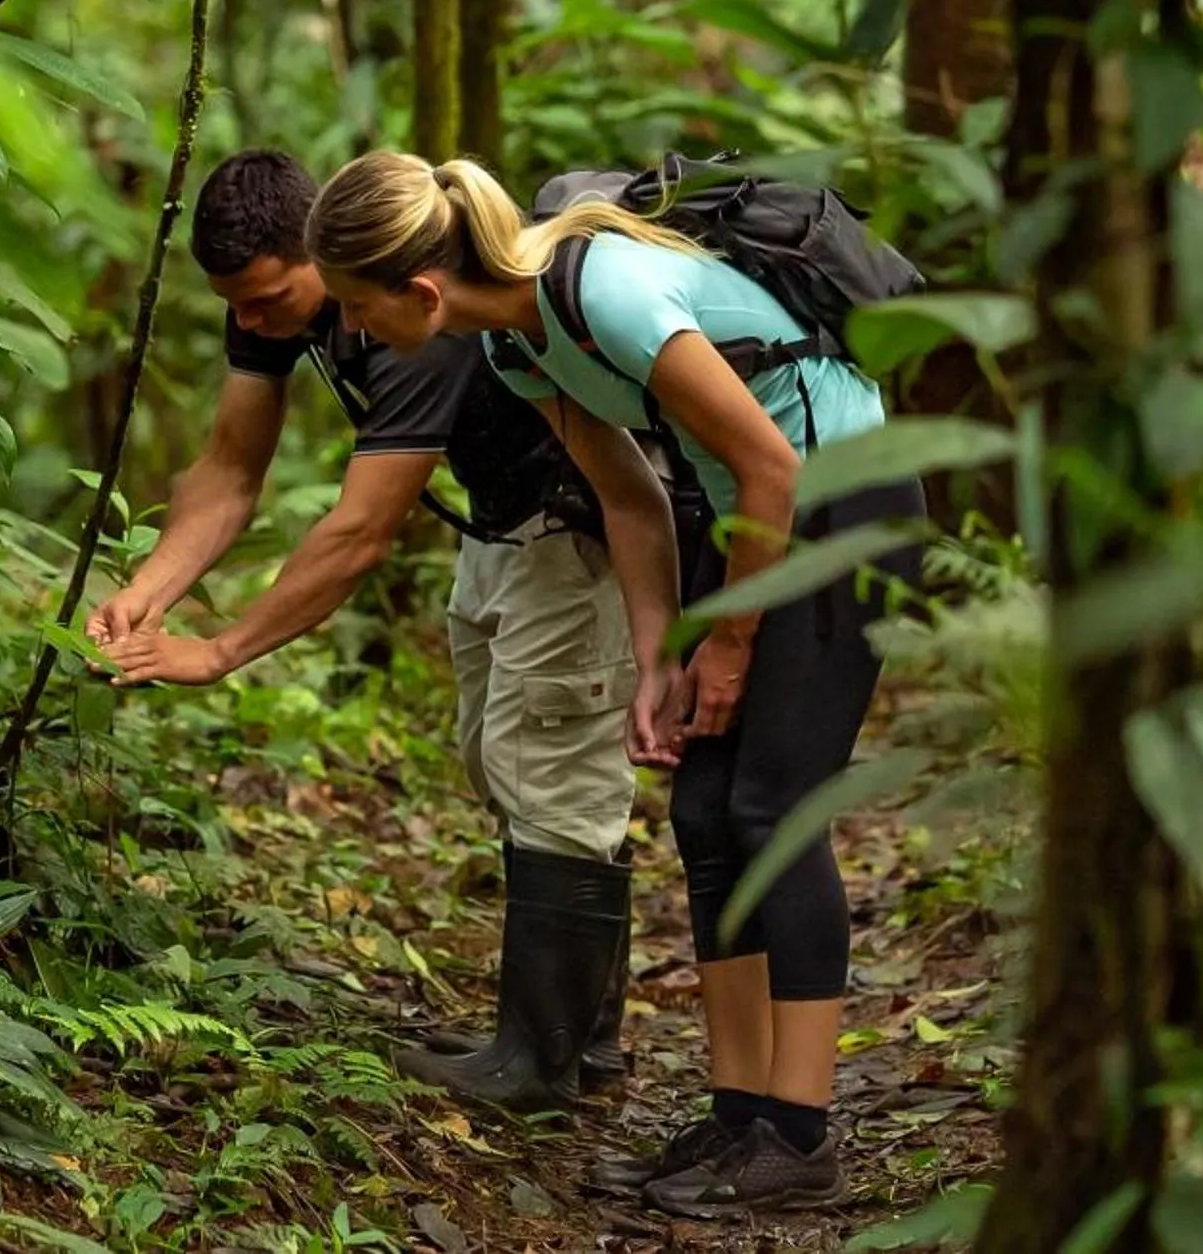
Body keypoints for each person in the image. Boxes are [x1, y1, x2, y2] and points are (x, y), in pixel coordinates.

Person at [303, 152, 923, 1221]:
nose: (353, 334)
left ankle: (801, 1137)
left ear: (419, 291)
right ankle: (741, 1115)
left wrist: (726, 648)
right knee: (701, 809)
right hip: (747, 530)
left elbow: (773, 465)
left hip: (838, 508)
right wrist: (657, 659)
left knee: (772, 808)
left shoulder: (606, 292)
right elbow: (627, 497)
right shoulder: (513, 341)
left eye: (357, 309)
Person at [90, 150, 682, 1111]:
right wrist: (147, 590)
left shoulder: (407, 315)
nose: (249, 319)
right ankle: (574, 1033)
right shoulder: (277, 302)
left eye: (268, 295)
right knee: (502, 763)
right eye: (232, 303)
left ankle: (541, 1058)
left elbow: (361, 530)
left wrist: (221, 648)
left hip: (580, 532)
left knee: (548, 771)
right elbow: (231, 467)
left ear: (318, 257)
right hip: (503, 524)